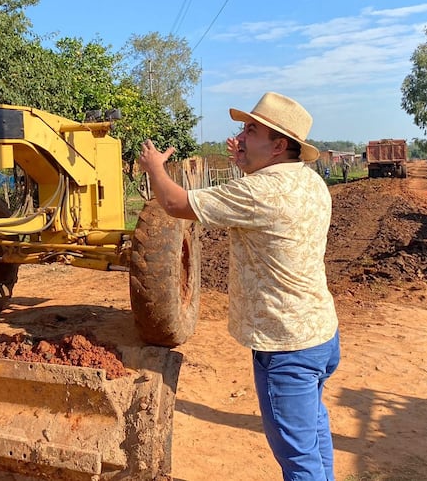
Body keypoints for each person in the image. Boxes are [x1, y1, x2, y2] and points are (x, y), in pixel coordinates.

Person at [139, 91, 340, 481]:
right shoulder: (310, 181)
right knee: (314, 437)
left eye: (251, 129)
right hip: (319, 335)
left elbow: (177, 204)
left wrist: (154, 169)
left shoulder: (260, 192)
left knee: (298, 459)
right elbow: (263, 198)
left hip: (286, 348)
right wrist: (247, 163)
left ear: (279, 145)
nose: (240, 136)